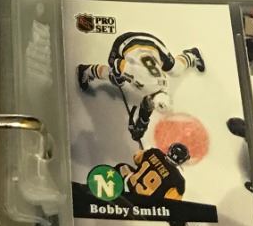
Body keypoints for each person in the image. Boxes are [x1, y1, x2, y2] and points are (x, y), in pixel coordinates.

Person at [76, 28, 205, 145]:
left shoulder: (163, 86)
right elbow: (117, 63)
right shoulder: (142, 79)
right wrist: (141, 124)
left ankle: (192, 55)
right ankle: (86, 70)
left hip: (153, 44)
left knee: (175, 69)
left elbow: (148, 103)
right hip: (126, 42)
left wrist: (142, 123)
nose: (150, 105)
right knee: (116, 79)